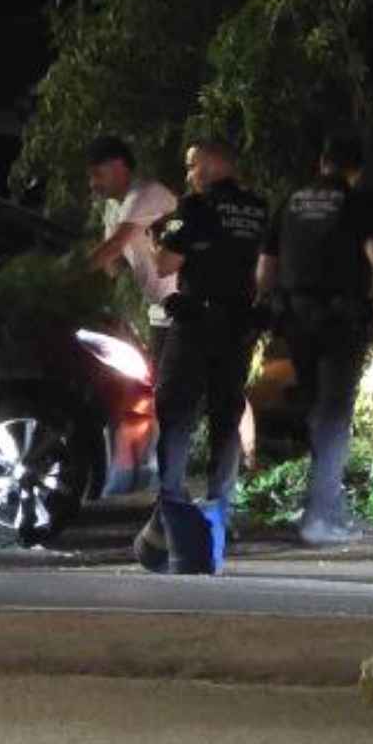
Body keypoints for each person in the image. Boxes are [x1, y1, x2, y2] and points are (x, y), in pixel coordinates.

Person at [259, 130, 373, 547]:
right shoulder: (359, 202)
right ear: (354, 171)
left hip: (294, 320)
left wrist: (265, 307)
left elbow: (265, 268)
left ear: (320, 164)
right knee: (334, 414)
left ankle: (327, 505)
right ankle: (320, 516)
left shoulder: (290, 202)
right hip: (341, 319)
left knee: (316, 409)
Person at [145, 135, 272, 567]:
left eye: (192, 165)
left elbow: (165, 264)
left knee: (175, 412)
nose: (188, 174)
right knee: (225, 417)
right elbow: (266, 266)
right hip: (238, 325)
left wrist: (157, 239)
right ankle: (221, 507)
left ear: (215, 165)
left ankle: (170, 508)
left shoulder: (194, 208)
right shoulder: (257, 208)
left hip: (196, 321)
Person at [85, 135, 177, 339]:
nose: (92, 184)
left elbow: (114, 245)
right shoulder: (112, 206)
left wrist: (69, 273)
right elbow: (112, 264)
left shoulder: (145, 194)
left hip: (186, 306)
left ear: (118, 166)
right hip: (162, 308)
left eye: (97, 174)